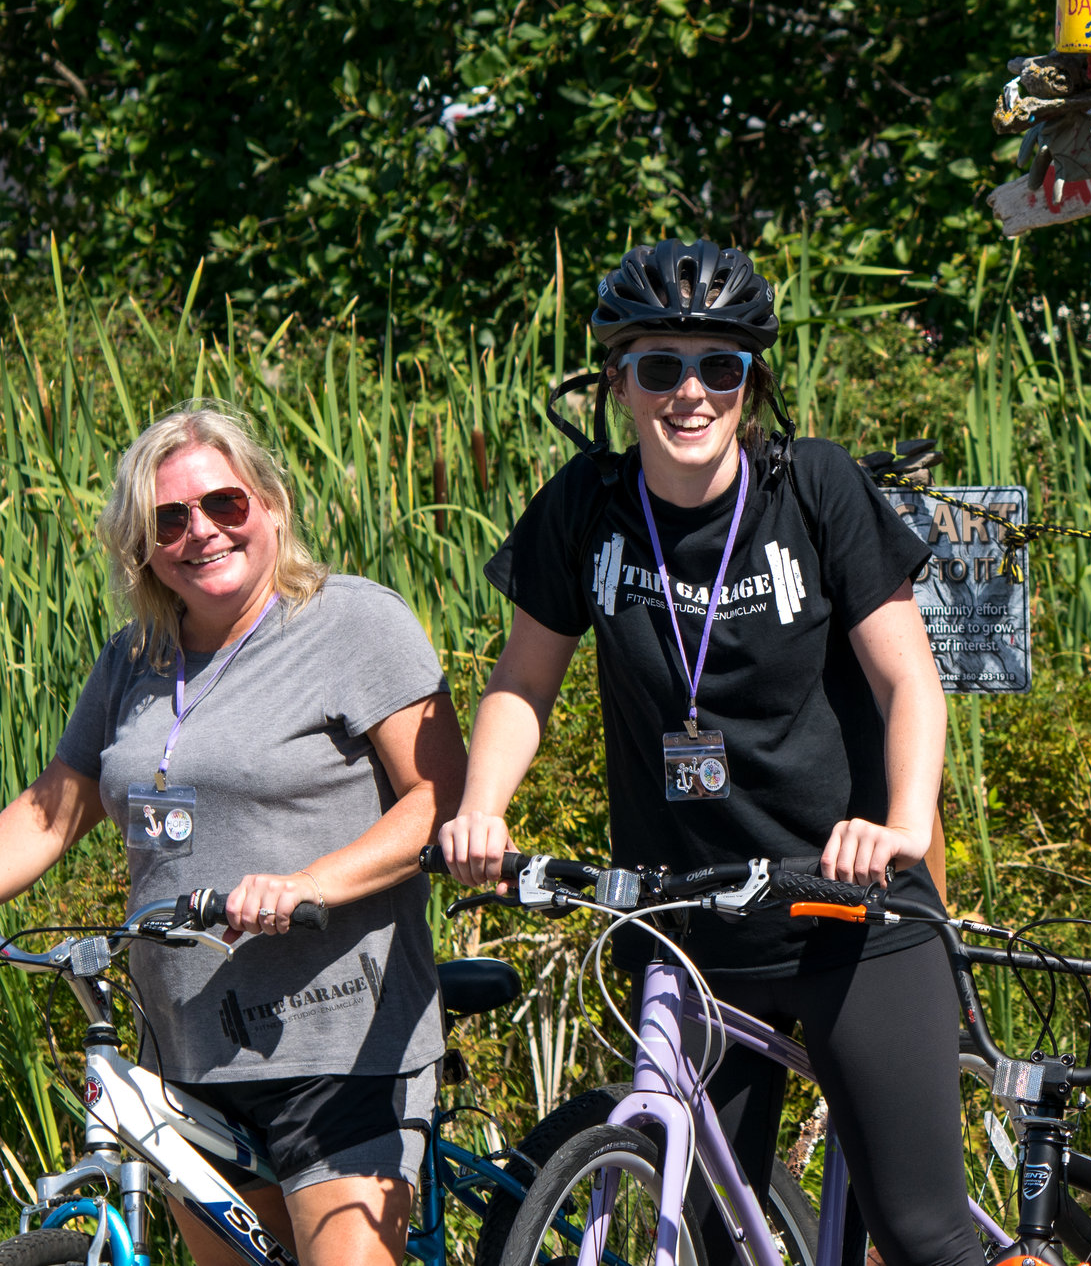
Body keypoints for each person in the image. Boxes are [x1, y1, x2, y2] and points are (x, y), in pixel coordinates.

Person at [432, 240, 979, 1266]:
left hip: (844, 908)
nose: (690, 390)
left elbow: (910, 678)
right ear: (617, 381)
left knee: (921, 1230)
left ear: (750, 385)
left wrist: (903, 823)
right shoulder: (587, 507)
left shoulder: (810, 488)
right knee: (722, 1240)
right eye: (660, 365)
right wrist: (483, 807)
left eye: (719, 367)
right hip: (689, 919)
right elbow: (522, 681)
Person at [0, 404, 466, 1266]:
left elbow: (439, 800)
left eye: (225, 504)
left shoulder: (351, 624)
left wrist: (309, 883)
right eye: (169, 519)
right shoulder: (131, 663)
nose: (200, 532)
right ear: (143, 546)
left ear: (273, 506)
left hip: (340, 1039)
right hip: (192, 1053)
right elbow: (44, 815)